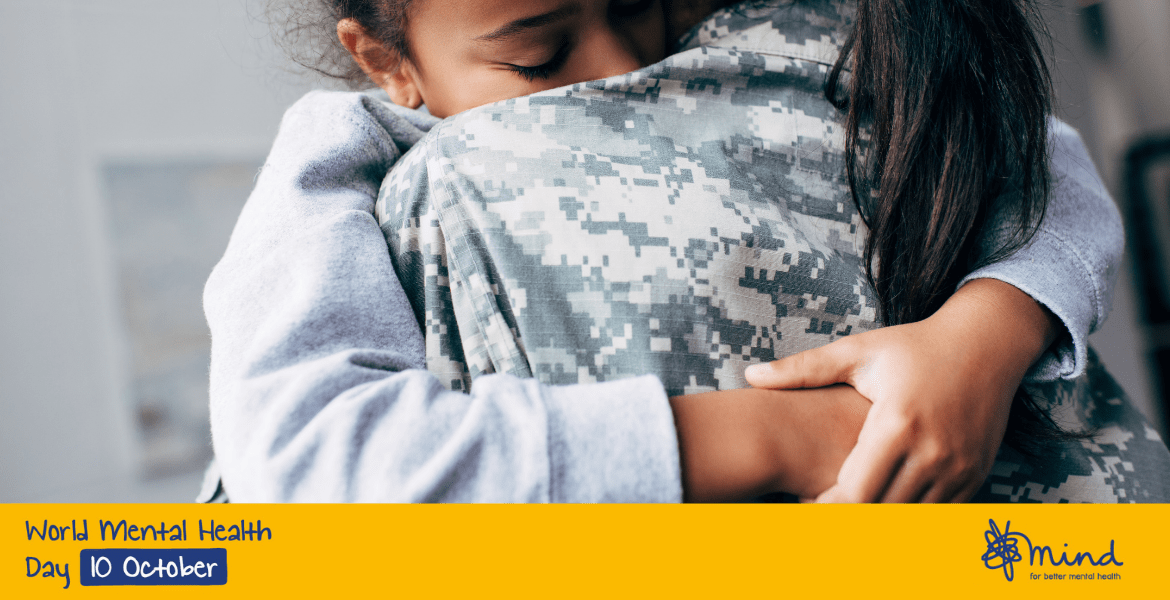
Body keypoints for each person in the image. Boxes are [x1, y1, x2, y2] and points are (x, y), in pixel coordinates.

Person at [202, 0, 1164, 502]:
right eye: (538, 56)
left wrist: (980, 340)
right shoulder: (338, 171)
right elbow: (314, 467)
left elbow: (1034, 154)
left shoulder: (756, 45)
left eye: (641, 3)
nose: (628, 70)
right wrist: (782, 438)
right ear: (389, 62)